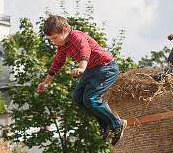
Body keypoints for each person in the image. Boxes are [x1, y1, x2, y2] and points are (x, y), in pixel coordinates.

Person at [36, 15, 126, 145]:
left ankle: (117, 123)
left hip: (106, 67)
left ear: (65, 29)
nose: (54, 42)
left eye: (55, 38)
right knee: (78, 98)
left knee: (91, 98)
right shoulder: (62, 46)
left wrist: (82, 67)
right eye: (51, 40)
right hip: (92, 70)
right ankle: (106, 123)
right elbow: (57, 63)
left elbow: (85, 49)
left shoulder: (76, 36)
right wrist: (46, 82)